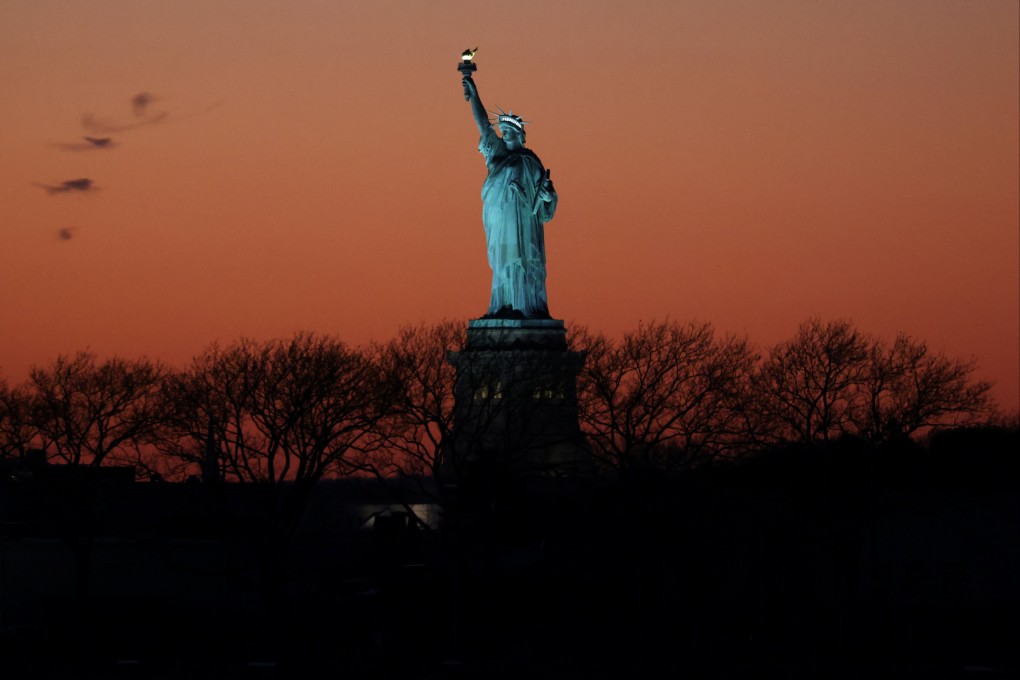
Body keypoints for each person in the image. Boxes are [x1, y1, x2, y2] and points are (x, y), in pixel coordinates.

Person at [462, 75, 557, 319]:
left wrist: (547, 197)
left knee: (523, 260)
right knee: (503, 260)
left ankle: (524, 305)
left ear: (520, 134)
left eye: (509, 131)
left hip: (524, 221)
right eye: (502, 131)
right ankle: (503, 304)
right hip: (500, 218)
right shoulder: (498, 156)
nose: (504, 134)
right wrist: (474, 93)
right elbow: (483, 125)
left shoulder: (531, 162)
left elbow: (547, 202)